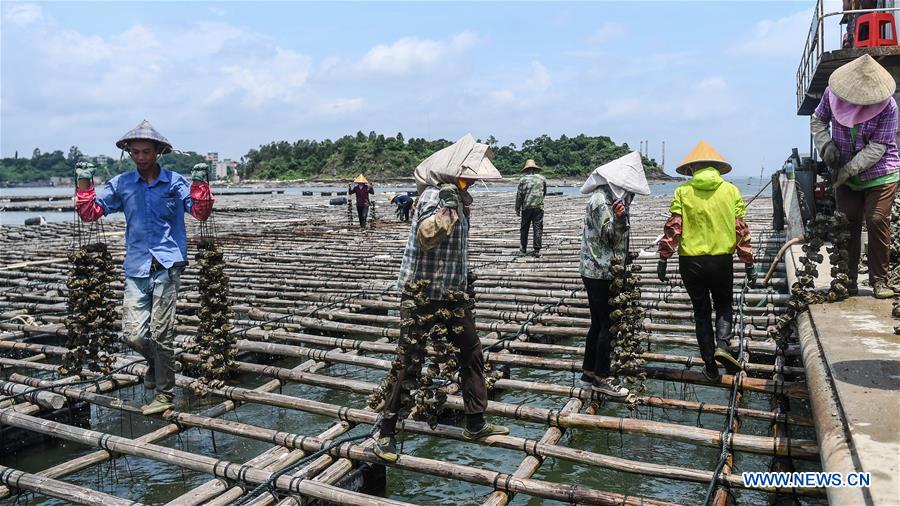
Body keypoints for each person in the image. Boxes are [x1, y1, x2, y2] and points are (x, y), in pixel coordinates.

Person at [373, 134, 509, 462]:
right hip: (422, 292)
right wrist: (447, 207)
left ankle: (475, 422)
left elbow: (455, 252)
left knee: (472, 352)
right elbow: (427, 238)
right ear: (453, 173)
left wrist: (466, 284)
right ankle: (386, 433)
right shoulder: (436, 196)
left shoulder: (458, 198)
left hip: (452, 292)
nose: (473, 180)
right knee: (410, 360)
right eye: (468, 175)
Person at [74, 120, 214, 415]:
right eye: (135, 152)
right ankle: (156, 362)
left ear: (157, 152)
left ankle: (164, 393)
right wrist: (85, 184)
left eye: (146, 152)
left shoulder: (175, 182)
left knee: (163, 333)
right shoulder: (122, 184)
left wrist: (200, 185)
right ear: (129, 153)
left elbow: (200, 213)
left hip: (167, 262)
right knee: (133, 334)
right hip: (136, 264)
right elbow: (91, 213)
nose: (140, 157)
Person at [657, 141, 755, 381]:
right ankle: (723, 344)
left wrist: (663, 258)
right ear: (716, 168)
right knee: (723, 305)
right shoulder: (731, 190)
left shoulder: (683, 191)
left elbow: (674, 229)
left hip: (690, 263)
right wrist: (749, 263)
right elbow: (740, 230)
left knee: (701, 312)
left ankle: (710, 366)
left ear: (693, 169)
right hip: (721, 260)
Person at [810, 54, 898, 299]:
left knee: (877, 219)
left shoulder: (888, 106)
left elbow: (878, 147)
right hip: (843, 172)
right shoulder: (831, 94)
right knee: (847, 222)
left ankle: (880, 280)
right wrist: (826, 145)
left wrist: (848, 170)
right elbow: (817, 120)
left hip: (881, 171)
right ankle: (846, 280)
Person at [578, 151, 651, 396]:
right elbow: (609, 235)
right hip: (599, 271)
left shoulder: (610, 198)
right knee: (607, 326)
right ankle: (602, 377)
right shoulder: (600, 201)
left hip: (601, 269)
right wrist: (621, 219)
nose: (631, 197)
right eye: (629, 192)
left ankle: (588, 374)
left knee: (597, 324)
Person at [516, 159, 547, 256]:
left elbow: (519, 196)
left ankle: (523, 249)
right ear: (535, 169)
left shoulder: (523, 180)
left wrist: (517, 208)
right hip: (538, 207)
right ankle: (537, 250)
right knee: (537, 228)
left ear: (526, 170)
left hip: (526, 207)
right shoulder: (542, 179)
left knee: (524, 228)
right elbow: (544, 192)